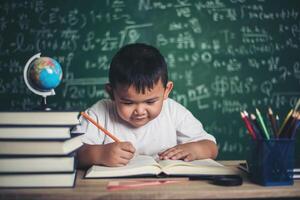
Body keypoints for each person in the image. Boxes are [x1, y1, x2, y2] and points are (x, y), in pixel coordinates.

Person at [73, 43, 218, 168]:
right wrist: (100, 154)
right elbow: (72, 151)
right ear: (111, 93)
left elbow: (211, 148)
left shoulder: (173, 111)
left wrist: (195, 149)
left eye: (150, 102)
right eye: (128, 102)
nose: (140, 111)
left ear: (166, 90)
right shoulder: (100, 112)